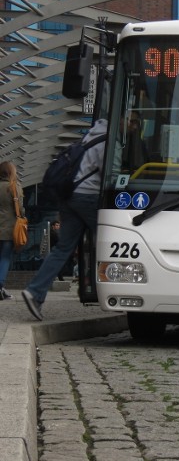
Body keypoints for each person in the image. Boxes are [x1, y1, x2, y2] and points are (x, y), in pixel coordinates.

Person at [22, 119, 108, 320]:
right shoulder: (107, 140)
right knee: (109, 239)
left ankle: (34, 292)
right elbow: (108, 174)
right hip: (88, 197)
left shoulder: (90, 135)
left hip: (68, 196)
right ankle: (115, 287)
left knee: (63, 248)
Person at [0, 161, 24, 300]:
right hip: (9, 230)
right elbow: (20, 209)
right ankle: (0, 286)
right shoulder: (14, 186)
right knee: (4, 257)